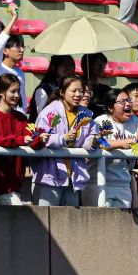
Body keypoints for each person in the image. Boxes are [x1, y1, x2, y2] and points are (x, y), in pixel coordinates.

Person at [32, 75, 97, 206]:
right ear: (62, 92)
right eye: (74, 91)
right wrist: (63, 138)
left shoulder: (86, 115)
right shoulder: (49, 112)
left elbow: (88, 140)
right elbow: (40, 138)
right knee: (47, 217)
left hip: (73, 178)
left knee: (70, 218)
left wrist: (95, 141)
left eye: (81, 91)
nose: (78, 94)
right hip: (49, 177)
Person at [0, 74, 46, 205]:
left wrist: (40, 139)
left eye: (18, 91)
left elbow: (31, 138)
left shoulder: (21, 117)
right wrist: (19, 140)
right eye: (13, 91)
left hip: (16, 182)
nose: (17, 95)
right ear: (1, 92)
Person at [83, 88, 138, 208]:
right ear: (110, 108)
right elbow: (96, 141)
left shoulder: (136, 121)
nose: (127, 104)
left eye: (128, 100)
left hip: (123, 183)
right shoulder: (101, 121)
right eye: (122, 102)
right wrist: (121, 143)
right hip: (99, 182)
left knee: (122, 220)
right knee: (101, 219)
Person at [0, 6, 26, 112]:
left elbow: (22, 103)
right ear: (5, 51)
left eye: (23, 47)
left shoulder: (20, 73)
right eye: (17, 46)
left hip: (16, 119)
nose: (22, 50)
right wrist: (13, 19)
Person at [28, 55, 76, 120]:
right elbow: (43, 117)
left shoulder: (73, 88)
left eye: (70, 65)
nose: (68, 67)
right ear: (53, 67)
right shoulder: (43, 89)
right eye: (64, 64)